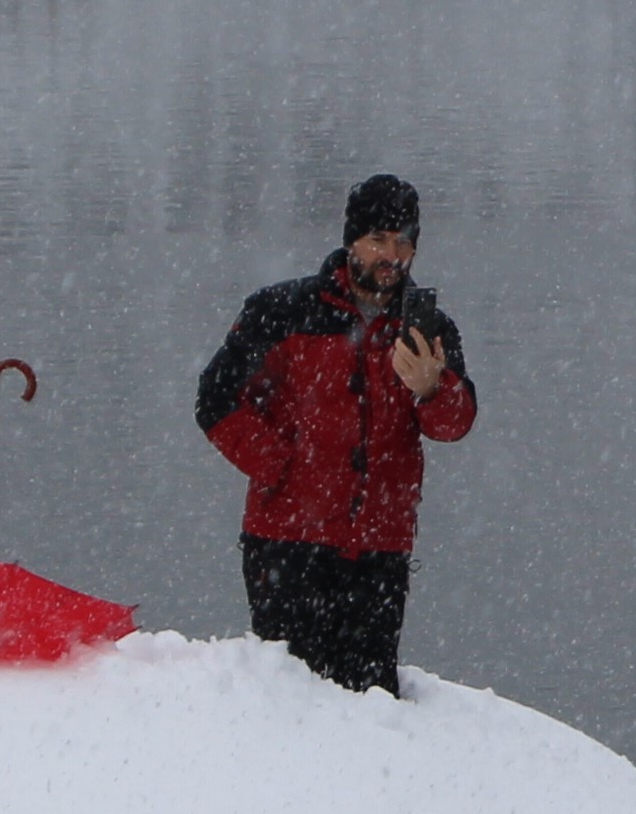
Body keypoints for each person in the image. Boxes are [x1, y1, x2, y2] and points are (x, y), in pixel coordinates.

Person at [195, 174, 477, 694]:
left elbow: (454, 425)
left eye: (404, 242)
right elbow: (216, 400)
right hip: (287, 545)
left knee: (370, 702)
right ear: (351, 241)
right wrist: (283, 468)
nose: (392, 255)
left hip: (380, 550)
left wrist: (432, 389)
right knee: (290, 699)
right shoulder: (282, 312)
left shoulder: (428, 328)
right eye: (378, 240)